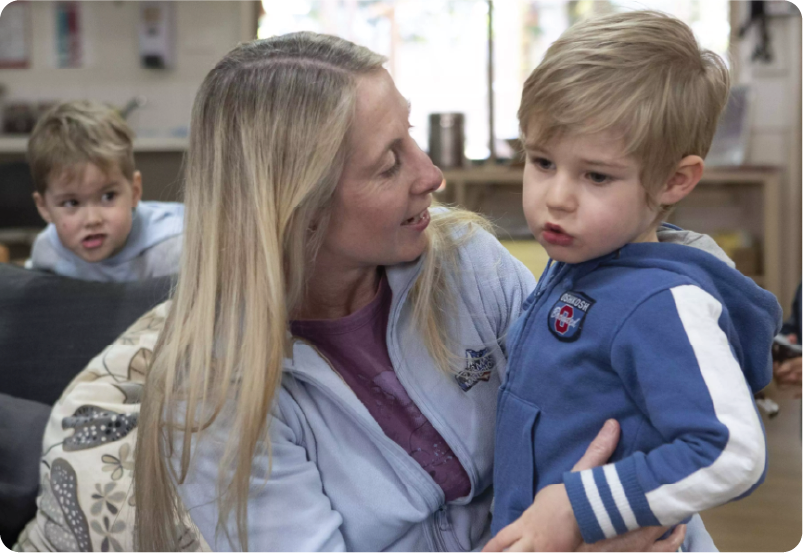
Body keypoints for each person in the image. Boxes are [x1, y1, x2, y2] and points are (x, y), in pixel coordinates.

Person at [134, 31, 725, 553]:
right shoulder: (213, 395)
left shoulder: (468, 260)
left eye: (410, 135)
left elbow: (622, 415)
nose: (432, 175)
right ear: (294, 205)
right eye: (389, 163)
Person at [484, 11, 782, 553]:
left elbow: (731, 452)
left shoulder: (660, 304)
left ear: (674, 180)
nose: (557, 197)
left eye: (596, 175)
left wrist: (578, 507)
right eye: (543, 161)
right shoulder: (584, 261)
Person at [26, 100, 183, 281]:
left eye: (108, 196)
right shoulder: (47, 252)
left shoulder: (170, 250)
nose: (92, 220)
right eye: (71, 203)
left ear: (135, 191)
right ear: (44, 207)